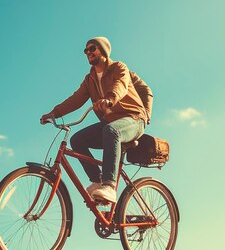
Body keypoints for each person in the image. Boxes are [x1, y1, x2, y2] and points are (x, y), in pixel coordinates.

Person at [40, 37, 153, 203]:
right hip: (111, 123)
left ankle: (109, 185)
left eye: (92, 48)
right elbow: (76, 99)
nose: (88, 53)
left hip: (133, 118)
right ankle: (98, 180)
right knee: (77, 139)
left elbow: (120, 84)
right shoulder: (90, 79)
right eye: (86, 50)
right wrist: (54, 113)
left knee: (111, 130)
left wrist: (110, 98)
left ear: (104, 51)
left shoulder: (118, 67)